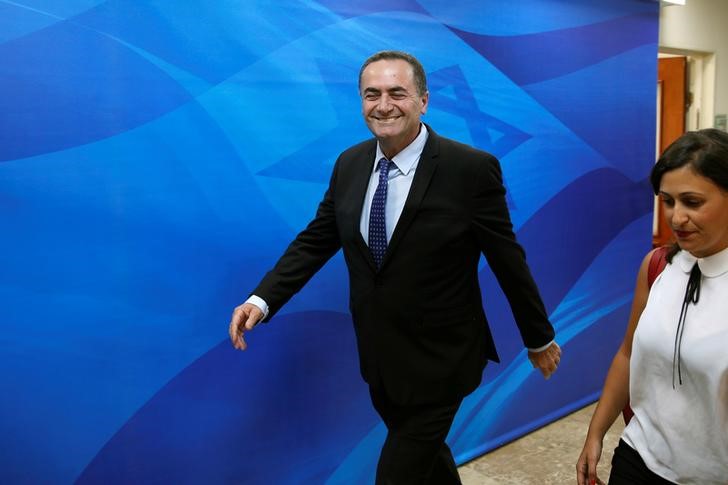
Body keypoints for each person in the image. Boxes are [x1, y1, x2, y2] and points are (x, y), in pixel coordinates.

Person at [229, 50, 561, 485]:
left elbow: (507, 260)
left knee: (398, 473)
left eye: (397, 93)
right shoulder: (349, 164)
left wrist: (537, 337)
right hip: (381, 356)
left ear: (423, 100)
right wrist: (263, 298)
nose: (383, 105)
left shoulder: (470, 170)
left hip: (444, 359)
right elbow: (316, 239)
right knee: (428, 458)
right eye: (372, 94)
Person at [576, 129, 728, 485]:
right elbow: (628, 355)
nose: (676, 218)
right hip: (637, 459)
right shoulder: (659, 265)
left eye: (692, 202)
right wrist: (596, 433)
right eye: (668, 201)